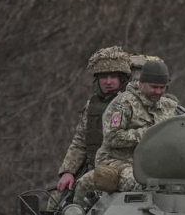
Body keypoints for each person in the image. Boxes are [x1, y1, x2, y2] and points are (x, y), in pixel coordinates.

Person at [74, 60, 178, 204]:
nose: (158, 91)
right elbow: (113, 137)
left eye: (162, 87)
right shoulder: (122, 105)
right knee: (143, 184)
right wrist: (151, 133)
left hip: (156, 164)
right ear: (141, 83)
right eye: (154, 87)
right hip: (120, 162)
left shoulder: (170, 106)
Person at [56, 46, 131, 194]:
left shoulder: (133, 104)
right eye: (103, 77)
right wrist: (68, 171)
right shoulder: (92, 105)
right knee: (57, 202)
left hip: (123, 172)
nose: (108, 82)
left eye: (113, 76)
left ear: (122, 78)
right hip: (92, 170)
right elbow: (80, 141)